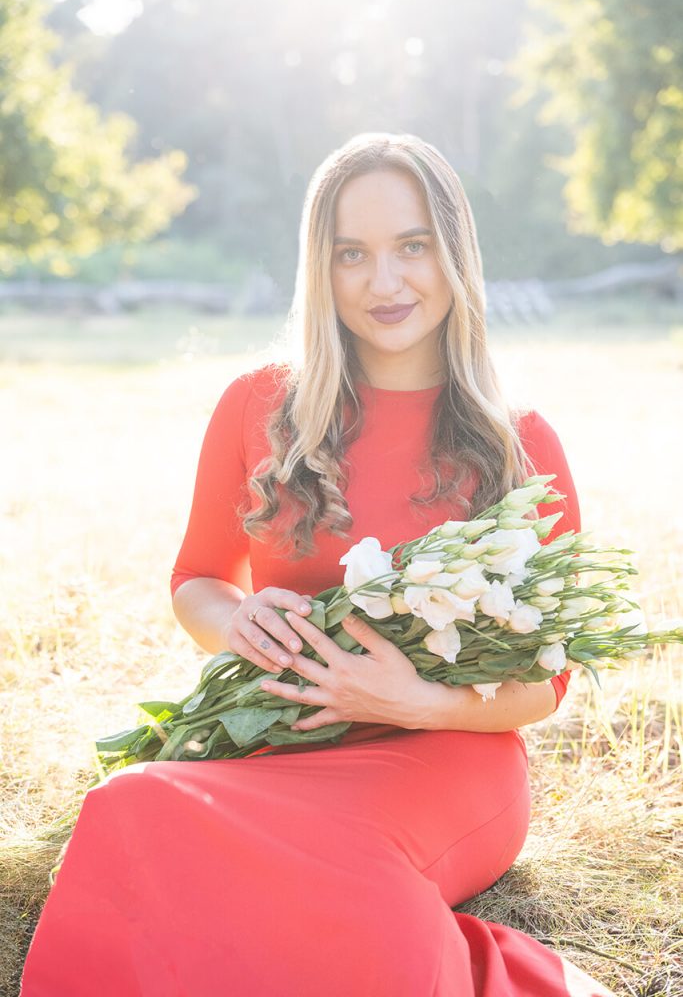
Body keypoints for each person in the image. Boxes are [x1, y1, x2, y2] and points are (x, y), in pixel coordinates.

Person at [21, 132, 615, 996]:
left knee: (344, 859)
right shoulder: (259, 407)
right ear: (321, 269)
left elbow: (548, 683)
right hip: (282, 740)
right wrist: (236, 619)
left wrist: (415, 700)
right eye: (352, 255)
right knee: (131, 806)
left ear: (453, 252)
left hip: (442, 757)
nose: (384, 283)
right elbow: (197, 580)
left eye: (411, 246)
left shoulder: (518, 444)